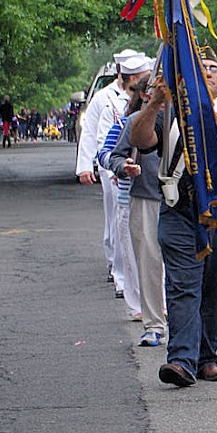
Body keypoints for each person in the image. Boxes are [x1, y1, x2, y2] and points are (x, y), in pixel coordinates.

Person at [128, 47, 217, 388]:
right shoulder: (168, 112)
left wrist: (211, 118)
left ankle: (207, 358)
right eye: (199, 67)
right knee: (182, 285)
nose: (208, 72)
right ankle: (181, 361)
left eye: (214, 68)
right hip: (179, 210)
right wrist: (155, 104)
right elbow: (140, 140)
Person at [77, 51, 147, 288]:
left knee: (132, 222)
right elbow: (90, 133)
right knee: (117, 220)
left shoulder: (146, 98)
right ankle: (118, 272)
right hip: (111, 165)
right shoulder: (103, 97)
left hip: (138, 167)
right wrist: (86, 166)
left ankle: (133, 272)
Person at [107, 85, 168, 347]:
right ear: (146, 95)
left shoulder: (188, 117)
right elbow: (115, 156)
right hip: (146, 198)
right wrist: (124, 167)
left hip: (182, 200)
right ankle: (154, 324)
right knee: (149, 263)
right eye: (157, 89)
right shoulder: (135, 121)